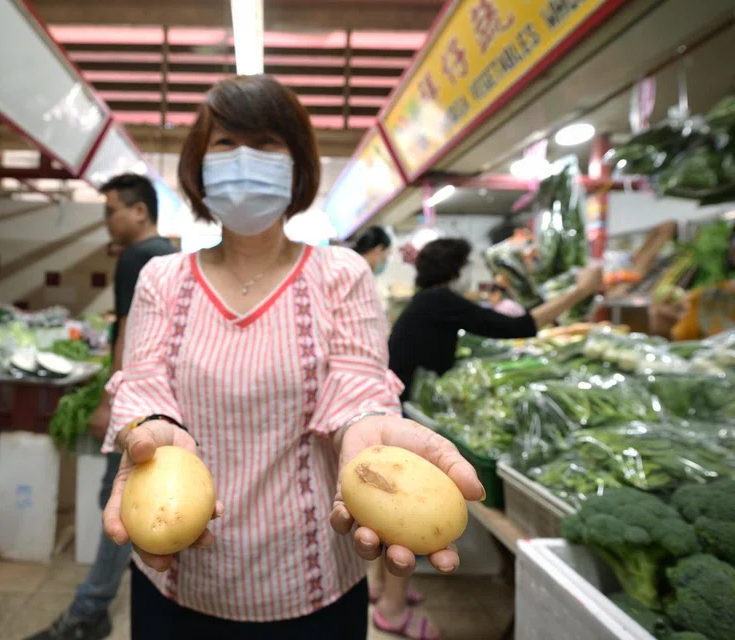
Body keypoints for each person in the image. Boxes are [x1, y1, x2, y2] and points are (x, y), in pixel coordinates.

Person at [98, 75, 483, 640]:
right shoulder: (163, 278)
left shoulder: (341, 274)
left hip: (311, 580)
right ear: (198, 167)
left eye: (268, 143)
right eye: (226, 143)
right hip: (181, 574)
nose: (245, 159)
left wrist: (367, 426)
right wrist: (152, 427)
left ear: (299, 165)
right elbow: (144, 381)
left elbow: (359, 382)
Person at [28, 173, 176, 640]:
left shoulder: (137, 256)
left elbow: (132, 332)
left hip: (137, 400)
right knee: (122, 496)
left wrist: (112, 402)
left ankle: (89, 609)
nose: (106, 220)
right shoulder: (170, 256)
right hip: (163, 398)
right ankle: (101, 603)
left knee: (120, 500)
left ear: (139, 211)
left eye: (111, 209)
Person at [389, 238, 602, 397]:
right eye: (466, 265)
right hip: (410, 398)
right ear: (452, 269)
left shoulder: (427, 299)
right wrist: (580, 291)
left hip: (406, 392)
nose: (469, 271)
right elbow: (517, 327)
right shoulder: (439, 300)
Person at [351, 229, 433, 638]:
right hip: (375, 405)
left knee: (381, 505)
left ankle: (381, 589)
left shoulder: (353, 276)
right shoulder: (356, 275)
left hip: (372, 405)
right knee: (394, 506)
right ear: (380, 250)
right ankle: (391, 606)